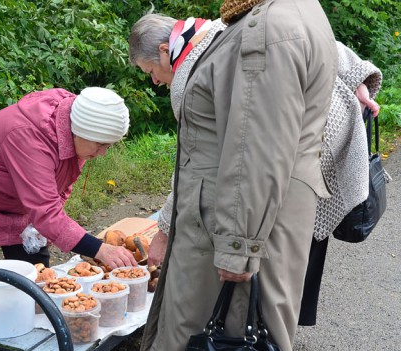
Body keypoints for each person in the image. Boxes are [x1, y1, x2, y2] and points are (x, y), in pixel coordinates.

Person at [131, 0, 338, 351]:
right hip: (266, 212)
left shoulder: (270, 27)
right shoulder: (291, 12)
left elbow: (255, 147)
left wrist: (239, 244)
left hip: (250, 219)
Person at [129, 13, 382, 327]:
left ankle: (263, 338)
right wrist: (358, 78)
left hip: (304, 147)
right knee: (299, 236)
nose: (154, 80)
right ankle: (283, 325)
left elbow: (193, 165)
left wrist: (165, 231)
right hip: (332, 124)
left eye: (150, 71)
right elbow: (316, 38)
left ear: (166, 50)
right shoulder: (220, 25)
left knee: (273, 233)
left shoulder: (187, 78)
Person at [0, 87, 138, 283]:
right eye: (100, 145)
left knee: (35, 268)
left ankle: (29, 314)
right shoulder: (31, 139)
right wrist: (99, 249)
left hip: (13, 187)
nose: (103, 153)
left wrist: (43, 224)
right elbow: (46, 212)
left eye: (108, 146)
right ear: (79, 131)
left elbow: (60, 185)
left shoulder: (75, 129)